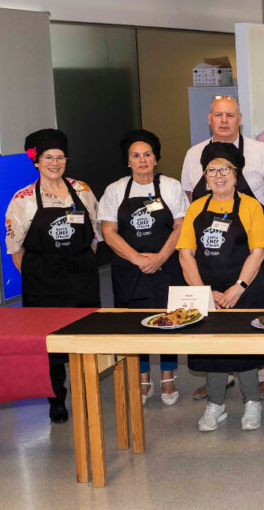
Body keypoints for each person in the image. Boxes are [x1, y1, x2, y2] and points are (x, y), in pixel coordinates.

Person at [181, 95, 264, 400]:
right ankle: (218, 381)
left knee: (252, 322)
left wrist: (240, 283)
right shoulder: (193, 156)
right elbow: (189, 197)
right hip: (209, 264)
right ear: (209, 118)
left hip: (250, 249)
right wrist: (202, 291)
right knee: (212, 332)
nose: (224, 120)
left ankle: (261, 378)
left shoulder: (260, 151)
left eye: (230, 115)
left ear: (239, 119)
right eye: (218, 115)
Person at [5, 129, 102, 424]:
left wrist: (78, 264)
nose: (55, 163)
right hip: (42, 282)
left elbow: (95, 234)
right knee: (50, 343)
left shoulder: (82, 190)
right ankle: (56, 399)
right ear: (36, 161)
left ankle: (87, 390)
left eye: (60, 157)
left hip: (81, 277)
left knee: (86, 336)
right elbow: (15, 248)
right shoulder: (23, 199)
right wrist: (40, 274)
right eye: (49, 157)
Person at [177, 143, 264, 432]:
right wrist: (205, 294)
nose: (219, 176)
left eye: (225, 169)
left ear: (236, 173)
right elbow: (186, 254)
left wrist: (238, 288)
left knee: (245, 347)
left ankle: (252, 403)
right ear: (205, 176)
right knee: (212, 348)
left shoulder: (251, 206)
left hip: (245, 288)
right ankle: (215, 405)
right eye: (212, 170)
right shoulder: (196, 208)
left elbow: (258, 250)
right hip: (207, 290)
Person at [98, 129, 188, 406]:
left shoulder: (171, 187)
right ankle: (143, 377)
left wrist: (160, 257)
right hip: (129, 270)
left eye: (147, 154)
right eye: (135, 156)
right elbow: (109, 231)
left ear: (156, 158)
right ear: (128, 161)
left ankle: (168, 377)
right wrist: (138, 259)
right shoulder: (115, 190)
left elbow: (181, 225)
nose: (142, 160)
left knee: (169, 319)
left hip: (167, 266)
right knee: (135, 323)